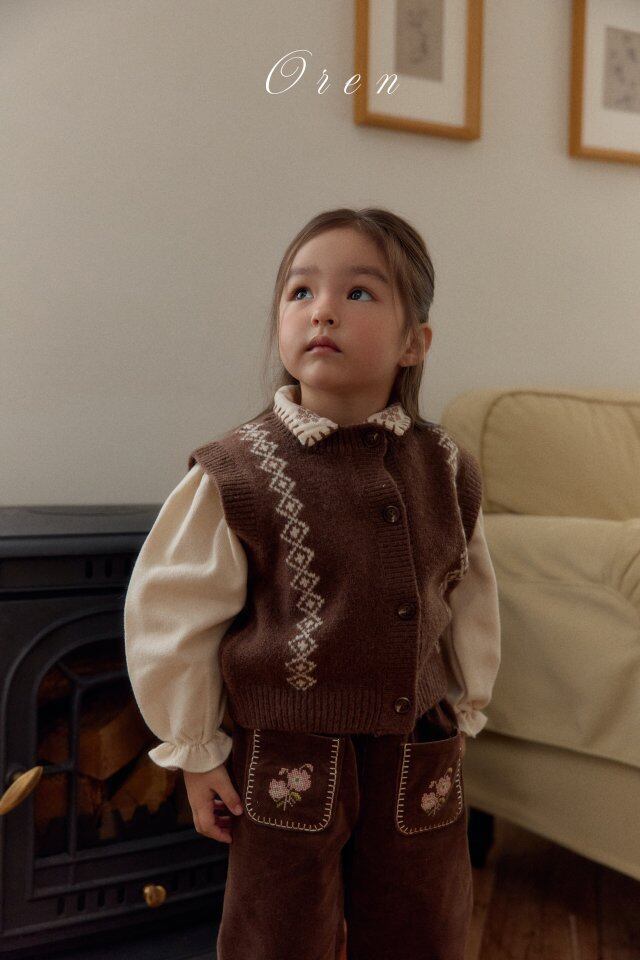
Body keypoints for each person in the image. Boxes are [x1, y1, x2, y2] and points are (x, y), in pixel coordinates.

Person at [124, 207, 501, 960]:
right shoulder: (238, 471)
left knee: (423, 925)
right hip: (284, 760)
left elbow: (469, 597)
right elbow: (173, 618)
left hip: (417, 752)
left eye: (358, 293)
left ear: (413, 343)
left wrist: (466, 707)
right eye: (300, 292)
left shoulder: (447, 468)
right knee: (278, 933)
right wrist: (196, 750)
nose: (322, 309)